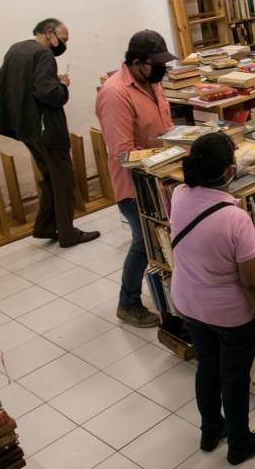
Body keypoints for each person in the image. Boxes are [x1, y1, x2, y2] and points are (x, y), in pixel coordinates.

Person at [169, 133, 255, 465]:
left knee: (207, 366)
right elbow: (252, 281)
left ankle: (210, 430)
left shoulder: (179, 194)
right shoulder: (235, 219)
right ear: (230, 172)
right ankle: (240, 443)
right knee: (234, 375)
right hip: (228, 313)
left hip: (188, 300)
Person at [0, 18, 100, 248]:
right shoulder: (44, 55)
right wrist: (62, 86)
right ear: (49, 34)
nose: (63, 45)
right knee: (63, 180)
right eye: (63, 40)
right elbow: (47, 92)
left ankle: (44, 226)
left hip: (25, 128)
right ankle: (68, 233)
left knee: (50, 178)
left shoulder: (16, 49)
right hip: (47, 129)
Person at [95, 30, 176, 327]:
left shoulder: (151, 82)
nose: (162, 70)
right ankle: (127, 303)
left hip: (161, 176)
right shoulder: (115, 94)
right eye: (156, 64)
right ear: (138, 62)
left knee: (162, 238)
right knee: (143, 241)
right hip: (136, 184)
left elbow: (162, 124)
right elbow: (124, 153)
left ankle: (169, 297)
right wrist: (168, 158)